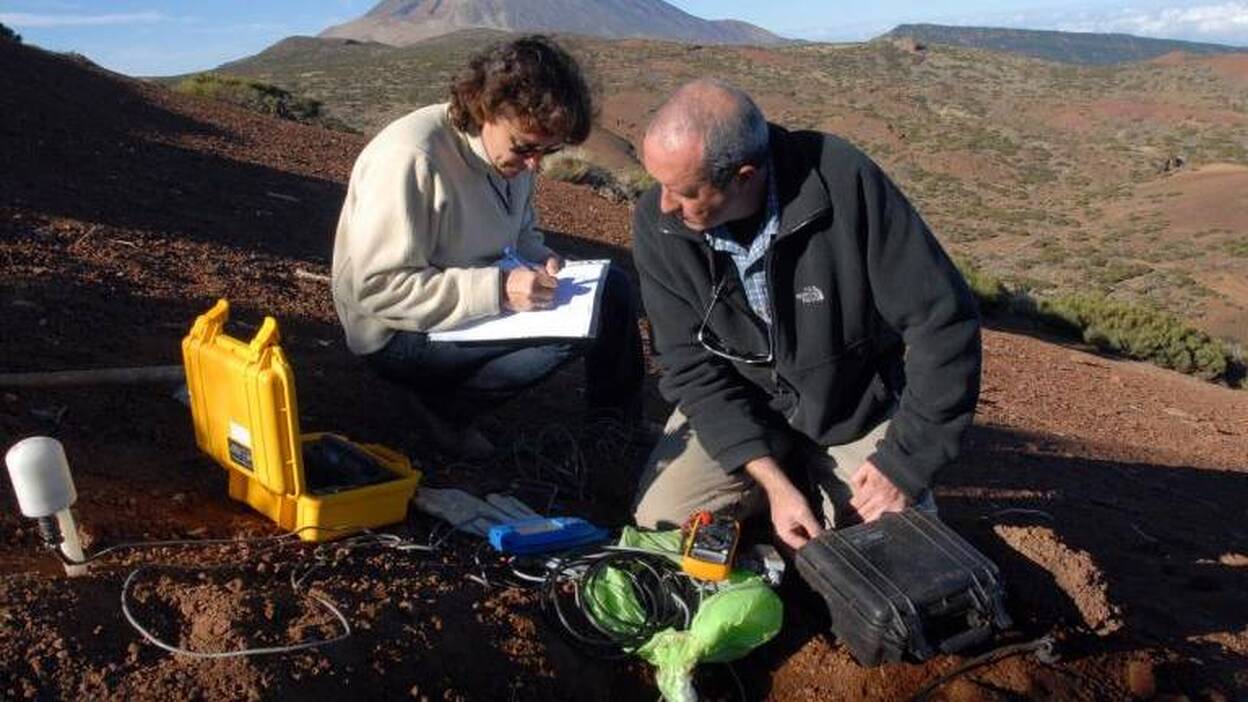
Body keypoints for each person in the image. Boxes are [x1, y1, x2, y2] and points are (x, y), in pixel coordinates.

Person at [631, 79, 981, 550]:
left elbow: (944, 324)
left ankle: (818, 482)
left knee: (897, 547)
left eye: (683, 190)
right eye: (660, 184)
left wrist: (904, 465)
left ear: (744, 177)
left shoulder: (842, 180)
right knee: (663, 526)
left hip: (850, 407)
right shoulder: (659, 222)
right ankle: (780, 479)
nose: (665, 205)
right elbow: (690, 367)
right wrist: (773, 483)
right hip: (745, 408)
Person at [331, 35, 644, 453]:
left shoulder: (511, 154)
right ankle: (445, 408)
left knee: (613, 289)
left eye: (546, 151)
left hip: (470, 309)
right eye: (526, 148)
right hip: (398, 334)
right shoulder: (412, 157)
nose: (535, 164)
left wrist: (545, 261)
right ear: (485, 109)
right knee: (567, 336)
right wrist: (497, 290)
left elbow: (521, 237)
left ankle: (615, 425)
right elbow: (375, 289)